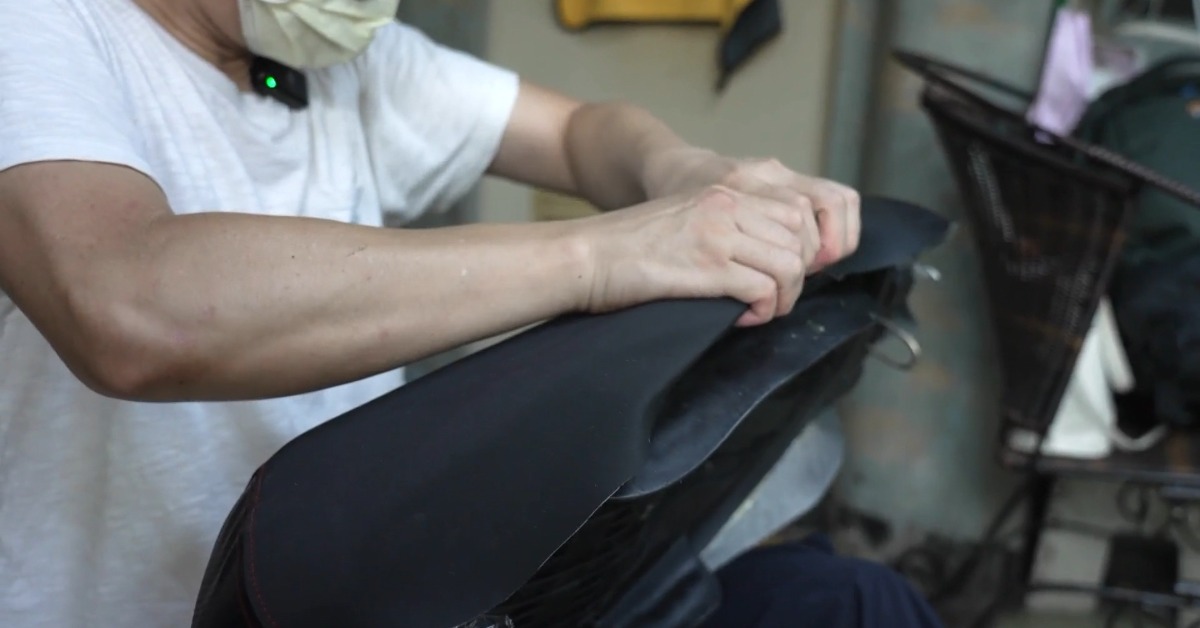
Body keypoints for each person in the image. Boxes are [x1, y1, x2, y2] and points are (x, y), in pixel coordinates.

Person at [0, 0, 862, 626]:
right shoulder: (41, 29)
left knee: (843, 600)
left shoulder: (343, 71)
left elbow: (579, 133)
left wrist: (687, 171)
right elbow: (129, 304)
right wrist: (597, 257)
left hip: (342, 597)